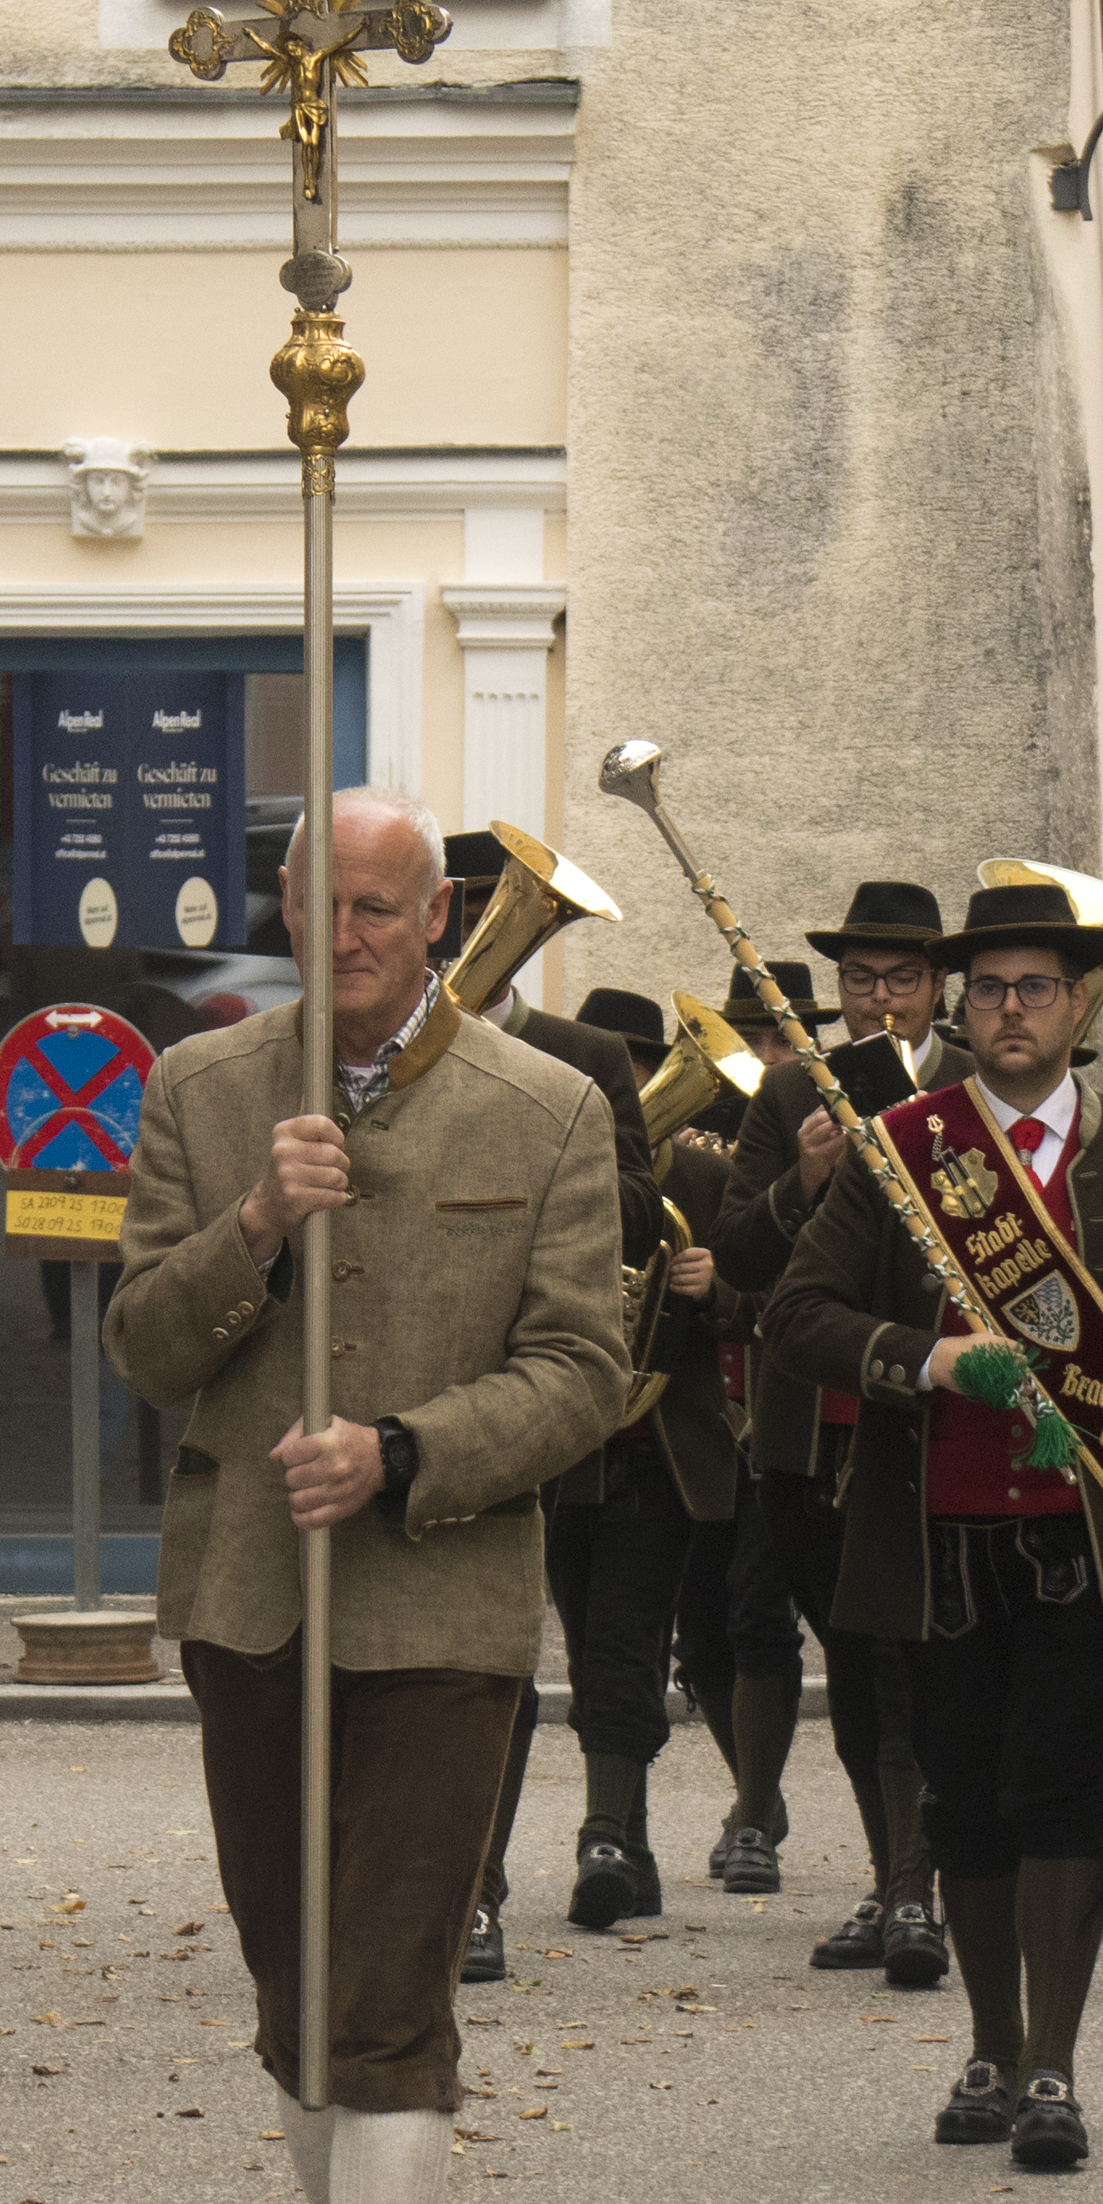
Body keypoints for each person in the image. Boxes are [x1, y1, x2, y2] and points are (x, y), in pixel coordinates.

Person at [105, 787, 627, 2204]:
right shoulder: (201, 1091)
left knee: (389, 2001)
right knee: (296, 2011)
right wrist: (255, 1223)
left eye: (385, 911)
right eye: (320, 908)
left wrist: (404, 1451)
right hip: (252, 1604)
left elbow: (580, 1373)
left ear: (437, 916)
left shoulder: (548, 1107)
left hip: (440, 1615)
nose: (349, 941)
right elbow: (144, 1346)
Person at [765, 879, 1103, 2164]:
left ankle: (1053, 2066)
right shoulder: (902, 1150)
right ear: (958, 1004)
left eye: (1034, 986)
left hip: (1095, 1541)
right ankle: (987, 2046)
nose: (1008, 1010)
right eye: (986, 989)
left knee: (1063, 1798)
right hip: (936, 1539)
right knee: (964, 1802)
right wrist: (927, 1362)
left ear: (1079, 1002)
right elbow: (797, 1317)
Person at [713, 880, 965, 1989]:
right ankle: (893, 1878)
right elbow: (734, 1258)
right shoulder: (787, 1091)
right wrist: (807, 1177)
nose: (879, 1003)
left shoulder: (971, 1087)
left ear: (936, 988)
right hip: (809, 1433)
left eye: (901, 982)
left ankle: (925, 1889)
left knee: (923, 1669)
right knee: (858, 1669)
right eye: (860, 983)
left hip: (932, 1421)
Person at [430, 831, 663, 1980]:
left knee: (527, 1651)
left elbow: (635, 1198)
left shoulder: (581, 1056)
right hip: (418, 1391)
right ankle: (459, 1883)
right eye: (461, 908)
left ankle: (497, 1881)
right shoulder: (369, 1052)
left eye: (489, 910)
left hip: (535, 1389)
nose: (470, 932)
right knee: (465, 1665)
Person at [553, 986, 744, 1927]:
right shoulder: (554, 1167)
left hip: (660, 1451)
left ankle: (604, 1835)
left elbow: (770, 1298)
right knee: (590, 1646)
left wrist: (716, 1289)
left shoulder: (705, 1179)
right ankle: (631, 1842)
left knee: (627, 1643)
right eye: (610, 1063)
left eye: (639, 1062)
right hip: (565, 1453)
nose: (624, 1080)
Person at [677, 960, 832, 1892]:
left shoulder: (813, 1123)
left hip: (788, 1405)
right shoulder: (707, 1140)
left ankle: (752, 1819)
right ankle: (756, 1797)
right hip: (713, 1424)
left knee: (767, 1608)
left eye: (779, 1039)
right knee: (707, 1625)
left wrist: (728, 1295)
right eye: (750, 1039)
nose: (762, 1057)